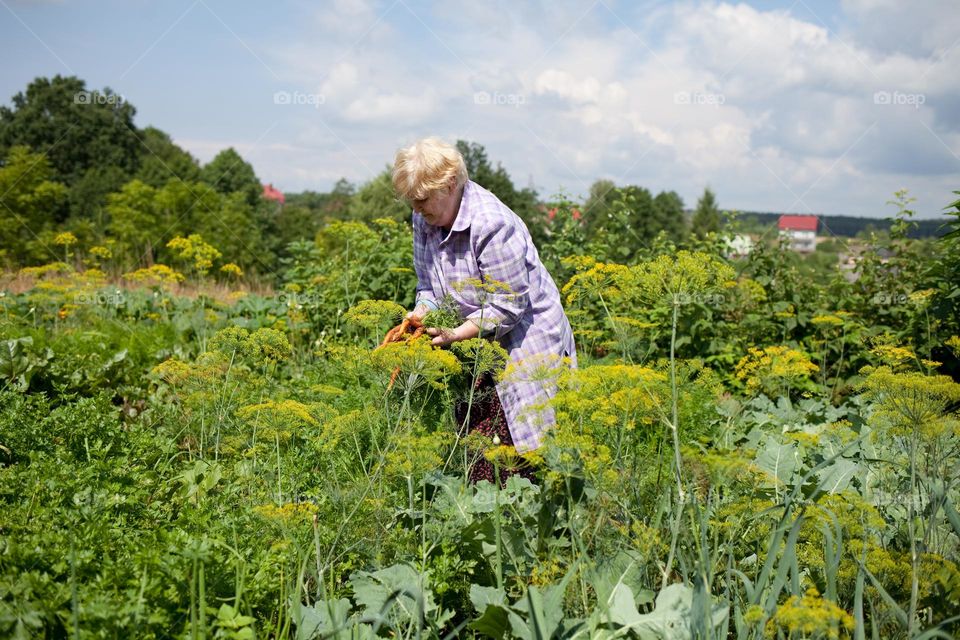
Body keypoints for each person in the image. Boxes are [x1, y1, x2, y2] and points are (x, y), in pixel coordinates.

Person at [392, 137, 577, 484]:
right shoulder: (424, 220)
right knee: (476, 440)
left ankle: (539, 521)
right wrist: (418, 314)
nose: (416, 208)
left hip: (524, 342)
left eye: (422, 199)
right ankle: (486, 521)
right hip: (472, 342)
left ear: (449, 185)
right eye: (411, 201)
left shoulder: (491, 224)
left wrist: (454, 334)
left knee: (527, 444)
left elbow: (507, 306)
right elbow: (429, 286)